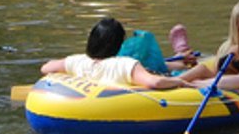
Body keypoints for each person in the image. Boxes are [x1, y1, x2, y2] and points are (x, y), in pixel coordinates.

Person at [39, 17, 186, 90]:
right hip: (137, 78)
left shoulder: (78, 61)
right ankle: (183, 52)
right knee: (199, 70)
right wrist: (180, 82)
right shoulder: (124, 63)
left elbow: (46, 68)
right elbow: (155, 82)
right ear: (119, 44)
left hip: (111, 75)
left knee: (161, 66)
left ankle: (182, 54)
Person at [176, 0, 239, 91]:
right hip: (220, 83)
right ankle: (171, 81)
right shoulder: (225, 46)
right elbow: (215, 72)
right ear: (237, 24)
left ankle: (184, 83)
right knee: (201, 68)